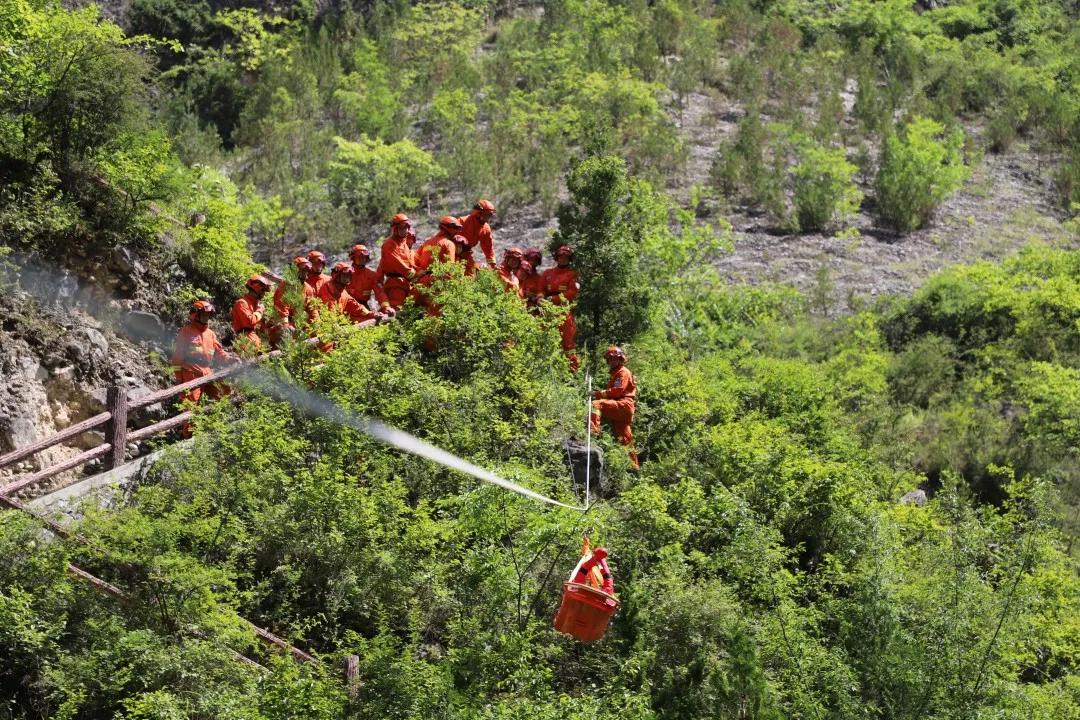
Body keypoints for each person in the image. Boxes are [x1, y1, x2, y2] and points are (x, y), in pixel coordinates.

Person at [170, 299, 238, 435]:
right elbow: (177, 357)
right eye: (204, 315)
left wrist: (230, 359)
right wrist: (178, 378)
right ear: (195, 315)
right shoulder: (186, 332)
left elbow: (220, 353)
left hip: (207, 372)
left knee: (225, 392)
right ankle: (188, 437)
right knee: (190, 407)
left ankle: (227, 426)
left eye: (208, 315)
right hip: (190, 373)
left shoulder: (210, 334)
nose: (207, 317)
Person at [591, 345, 639, 469]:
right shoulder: (617, 373)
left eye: (615, 359)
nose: (612, 362)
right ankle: (633, 467)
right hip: (624, 408)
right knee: (624, 439)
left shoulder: (623, 372)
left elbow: (617, 391)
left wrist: (597, 394)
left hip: (624, 404)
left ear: (620, 359)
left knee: (596, 404)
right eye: (610, 359)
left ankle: (592, 432)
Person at [542, 244, 580, 370]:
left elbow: (572, 292)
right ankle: (546, 371)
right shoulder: (547, 273)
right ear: (556, 257)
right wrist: (540, 298)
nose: (563, 259)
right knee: (545, 340)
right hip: (547, 312)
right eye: (561, 257)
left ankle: (573, 371)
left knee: (568, 343)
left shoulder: (572, 274)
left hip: (564, 313)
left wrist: (554, 299)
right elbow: (540, 289)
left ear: (569, 259)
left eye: (566, 257)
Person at [316, 263, 380, 324]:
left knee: (365, 318)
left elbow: (356, 307)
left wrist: (370, 314)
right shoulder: (325, 290)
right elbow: (327, 314)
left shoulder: (343, 293)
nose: (347, 279)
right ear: (336, 276)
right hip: (323, 325)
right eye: (344, 277)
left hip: (336, 323)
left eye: (348, 277)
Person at [376, 214, 416, 310]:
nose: (404, 230)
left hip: (406, 284)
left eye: (406, 228)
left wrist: (422, 271)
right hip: (395, 285)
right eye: (401, 228)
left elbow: (411, 264)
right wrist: (414, 273)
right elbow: (398, 264)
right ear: (395, 229)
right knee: (397, 310)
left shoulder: (404, 245)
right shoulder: (389, 244)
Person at [347, 244, 393, 315]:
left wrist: (386, 307)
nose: (362, 259)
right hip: (347, 306)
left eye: (364, 257)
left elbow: (380, 293)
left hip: (363, 306)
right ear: (353, 258)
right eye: (360, 257)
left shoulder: (372, 275)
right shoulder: (346, 273)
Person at [231, 273, 271, 355]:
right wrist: (260, 311)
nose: (264, 294)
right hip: (245, 341)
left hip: (256, 340)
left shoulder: (256, 305)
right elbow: (250, 321)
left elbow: (262, 329)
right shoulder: (242, 303)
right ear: (256, 289)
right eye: (263, 291)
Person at [273, 256, 317, 330]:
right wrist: (286, 325)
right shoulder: (284, 286)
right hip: (283, 323)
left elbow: (312, 309)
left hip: (299, 323)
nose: (305, 273)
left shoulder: (308, 288)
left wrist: (315, 324)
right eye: (302, 271)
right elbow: (281, 310)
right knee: (285, 331)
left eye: (306, 271)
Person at [458, 199, 496, 268]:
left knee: (472, 272)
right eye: (485, 215)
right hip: (454, 250)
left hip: (466, 253)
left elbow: (488, 248)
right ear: (478, 213)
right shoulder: (462, 221)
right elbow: (448, 237)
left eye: (489, 215)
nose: (487, 218)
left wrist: (493, 264)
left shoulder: (486, 228)